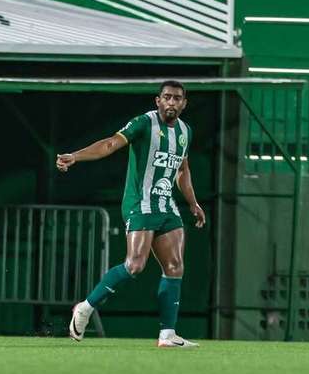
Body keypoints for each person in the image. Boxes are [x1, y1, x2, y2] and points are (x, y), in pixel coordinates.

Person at [57, 80, 205, 347]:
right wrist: (76, 156)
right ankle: (85, 307)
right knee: (135, 265)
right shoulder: (143, 123)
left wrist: (193, 203)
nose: (171, 102)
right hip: (141, 202)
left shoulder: (185, 131)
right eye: (167, 97)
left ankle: (167, 335)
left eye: (177, 98)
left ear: (184, 103)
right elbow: (110, 144)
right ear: (157, 101)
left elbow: (182, 170)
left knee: (175, 266)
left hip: (166, 205)